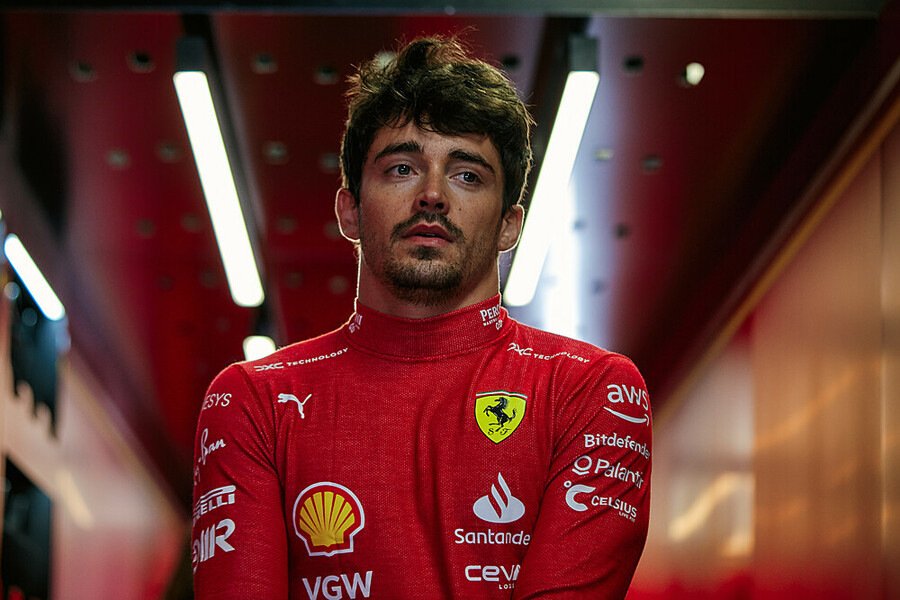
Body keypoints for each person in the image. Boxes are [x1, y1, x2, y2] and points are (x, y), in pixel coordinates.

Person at [191, 35, 651, 599]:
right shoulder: (252, 400)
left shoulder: (592, 391)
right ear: (350, 210)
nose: (432, 195)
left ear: (510, 225)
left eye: (467, 175)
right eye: (402, 168)